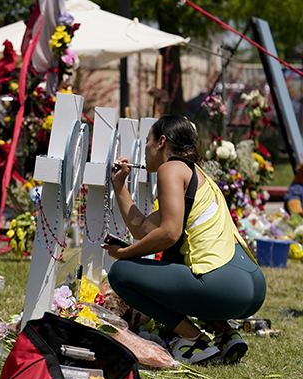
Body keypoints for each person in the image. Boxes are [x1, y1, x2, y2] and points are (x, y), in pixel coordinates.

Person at [103, 115, 266, 365]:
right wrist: (120, 186)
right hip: (250, 285)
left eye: (148, 140)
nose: (145, 148)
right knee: (179, 269)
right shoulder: (196, 175)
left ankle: (193, 340)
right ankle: (224, 333)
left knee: (121, 273)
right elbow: (143, 228)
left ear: (161, 142)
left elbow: (169, 233)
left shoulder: (171, 168)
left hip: (226, 285)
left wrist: (124, 254)